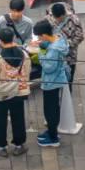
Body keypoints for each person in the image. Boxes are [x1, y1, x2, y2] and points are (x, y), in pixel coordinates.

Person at [0, 26, 30, 157]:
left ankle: (1, 146)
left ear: (1, 41)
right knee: (18, 118)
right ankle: (19, 145)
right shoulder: (24, 55)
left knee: (1, 120)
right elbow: (27, 71)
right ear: (13, 38)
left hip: (2, 94)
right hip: (19, 91)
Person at [32, 18, 68, 147]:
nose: (39, 39)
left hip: (51, 82)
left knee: (50, 110)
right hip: (58, 79)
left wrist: (40, 53)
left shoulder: (53, 50)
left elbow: (48, 68)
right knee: (53, 107)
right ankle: (52, 132)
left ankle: (53, 138)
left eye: (39, 37)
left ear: (44, 35)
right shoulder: (59, 38)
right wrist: (43, 45)